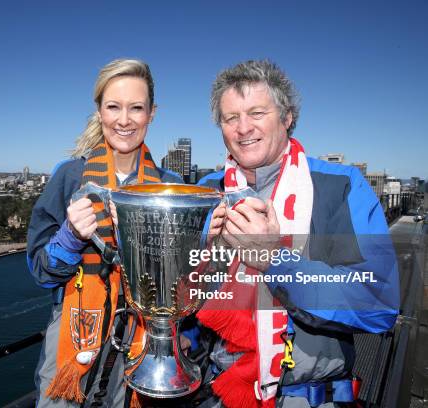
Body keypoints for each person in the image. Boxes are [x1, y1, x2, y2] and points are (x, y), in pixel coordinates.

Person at [193, 60, 399, 408]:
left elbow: (377, 302)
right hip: (220, 389)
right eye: (230, 118)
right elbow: (189, 289)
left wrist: (275, 260)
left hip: (307, 397)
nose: (243, 128)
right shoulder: (207, 191)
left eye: (257, 112)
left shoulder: (341, 186)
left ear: (286, 117)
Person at [27, 58, 183, 408]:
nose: (124, 120)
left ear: (151, 114)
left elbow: (183, 280)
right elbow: (40, 270)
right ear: (99, 111)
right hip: (74, 339)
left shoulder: (171, 187)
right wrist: (69, 238)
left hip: (142, 346)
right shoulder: (70, 177)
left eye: (136, 108)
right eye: (113, 107)